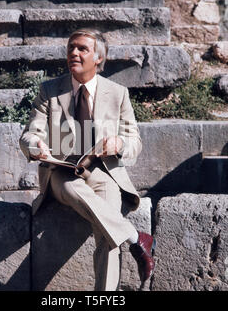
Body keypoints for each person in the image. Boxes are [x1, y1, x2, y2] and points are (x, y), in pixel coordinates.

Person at [19, 28, 155, 291]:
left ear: (98, 59)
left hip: (104, 172)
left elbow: (134, 142)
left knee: (107, 235)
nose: (74, 53)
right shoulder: (49, 91)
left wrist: (119, 143)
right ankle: (137, 237)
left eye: (82, 48)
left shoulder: (118, 93)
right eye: (71, 47)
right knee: (71, 187)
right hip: (61, 171)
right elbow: (30, 134)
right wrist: (36, 145)